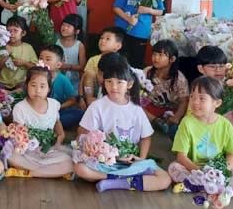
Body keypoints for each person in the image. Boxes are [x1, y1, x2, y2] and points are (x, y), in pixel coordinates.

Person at [74, 54, 171, 193]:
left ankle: (114, 182)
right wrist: (90, 145)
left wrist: (141, 159)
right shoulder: (97, 106)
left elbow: (146, 137)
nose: (114, 87)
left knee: (164, 179)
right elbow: (83, 131)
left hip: (130, 162)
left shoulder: (136, 109)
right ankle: (119, 179)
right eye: (109, 81)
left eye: (119, 82)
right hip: (104, 161)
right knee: (80, 169)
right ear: (104, 82)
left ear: (129, 84)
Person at [169, 76, 233, 197]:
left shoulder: (225, 124)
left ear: (217, 103)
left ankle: (194, 186)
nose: (195, 102)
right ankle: (222, 189)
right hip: (194, 168)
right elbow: (181, 156)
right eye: (192, 96)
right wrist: (200, 171)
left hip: (217, 171)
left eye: (202, 98)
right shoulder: (186, 122)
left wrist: (223, 170)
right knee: (174, 168)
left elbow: (232, 154)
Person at [5, 65, 73, 178]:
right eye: (33, 85)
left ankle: (31, 172)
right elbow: (18, 136)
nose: (37, 90)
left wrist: (58, 141)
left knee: (70, 162)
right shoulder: (20, 108)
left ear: (49, 88)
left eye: (42, 86)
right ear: (26, 86)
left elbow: (59, 130)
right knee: (10, 156)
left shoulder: (54, 104)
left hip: (49, 150)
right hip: (27, 151)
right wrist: (28, 146)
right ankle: (48, 172)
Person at [196, 46, 233, 153]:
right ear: (201, 69)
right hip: (204, 136)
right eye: (212, 66)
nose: (218, 70)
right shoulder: (198, 88)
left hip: (229, 138)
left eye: (222, 66)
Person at [143, 40, 189, 137]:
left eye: (161, 55)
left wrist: (176, 117)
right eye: (154, 54)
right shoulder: (147, 72)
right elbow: (141, 93)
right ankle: (156, 121)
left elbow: (184, 102)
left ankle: (158, 123)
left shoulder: (179, 79)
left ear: (172, 59)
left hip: (170, 109)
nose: (156, 58)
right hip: (151, 106)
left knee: (175, 126)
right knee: (136, 106)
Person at [39, 45, 83, 130]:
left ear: (58, 64)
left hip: (57, 112)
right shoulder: (35, 77)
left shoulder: (63, 79)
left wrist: (58, 107)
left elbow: (72, 100)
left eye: (48, 59)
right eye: (41, 59)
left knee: (79, 113)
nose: (43, 62)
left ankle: (49, 124)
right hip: (38, 110)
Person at [81, 27, 124, 107]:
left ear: (118, 46)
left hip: (112, 91)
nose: (103, 41)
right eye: (101, 38)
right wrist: (80, 97)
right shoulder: (93, 59)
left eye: (108, 39)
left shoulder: (120, 61)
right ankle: (89, 101)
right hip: (95, 89)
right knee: (89, 73)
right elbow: (84, 78)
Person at [0, 16, 38, 91]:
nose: (11, 33)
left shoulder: (28, 47)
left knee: (23, 88)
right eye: (9, 30)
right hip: (2, 82)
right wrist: (5, 55)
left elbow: (35, 68)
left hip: (20, 83)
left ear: (23, 33)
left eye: (15, 30)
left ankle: (10, 94)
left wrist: (24, 63)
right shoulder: (2, 46)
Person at [56, 14, 87, 93]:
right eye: (63, 25)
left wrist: (67, 66)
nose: (64, 28)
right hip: (58, 78)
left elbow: (82, 67)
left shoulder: (79, 45)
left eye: (69, 26)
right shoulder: (57, 42)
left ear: (77, 31)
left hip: (74, 82)